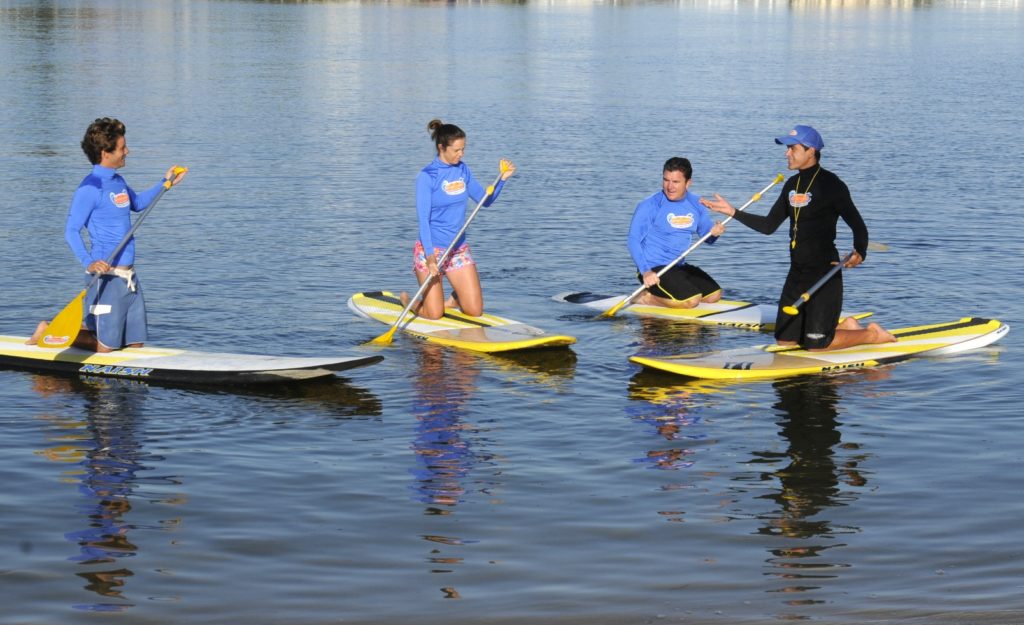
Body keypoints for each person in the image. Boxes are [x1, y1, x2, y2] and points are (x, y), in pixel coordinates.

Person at [701, 124, 894, 351]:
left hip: (824, 272)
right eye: (787, 149)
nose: (787, 153)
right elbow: (768, 225)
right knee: (785, 340)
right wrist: (732, 211)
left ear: (810, 151)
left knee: (817, 345)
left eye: (792, 148)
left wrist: (859, 252)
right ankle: (847, 326)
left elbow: (858, 225)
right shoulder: (792, 185)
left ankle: (871, 334)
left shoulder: (832, 185)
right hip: (797, 272)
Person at [27, 117, 187, 352]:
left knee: (135, 344)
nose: (127, 152)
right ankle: (47, 331)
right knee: (106, 348)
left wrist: (166, 183)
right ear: (105, 152)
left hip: (129, 280)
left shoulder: (118, 181)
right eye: (122, 148)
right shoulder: (90, 188)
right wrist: (89, 262)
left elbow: (139, 203)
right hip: (105, 278)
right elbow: (71, 230)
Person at [406, 118, 516, 320]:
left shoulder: (463, 170)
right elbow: (423, 221)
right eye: (456, 150)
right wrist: (431, 258)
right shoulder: (427, 176)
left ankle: (454, 299)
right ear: (442, 148)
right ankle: (411, 302)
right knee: (435, 314)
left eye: (463, 149)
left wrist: (502, 180)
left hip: (457, 249)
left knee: (475, 311)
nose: (461, 154)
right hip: (431, 251)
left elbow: (485, 201)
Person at [627, 157, 726, 309]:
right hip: (653, 269)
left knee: (715, 295)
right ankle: (645, 298)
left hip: (677, 266)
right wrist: (645, 271)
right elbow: (633, 240)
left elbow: (708, 238)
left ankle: (671, 298)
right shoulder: (650, 205)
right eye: (666, 180)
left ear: (688, 183)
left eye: (676, 182)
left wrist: (715, 232)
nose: (670, 187)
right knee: (691, 301)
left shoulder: (697, 204)